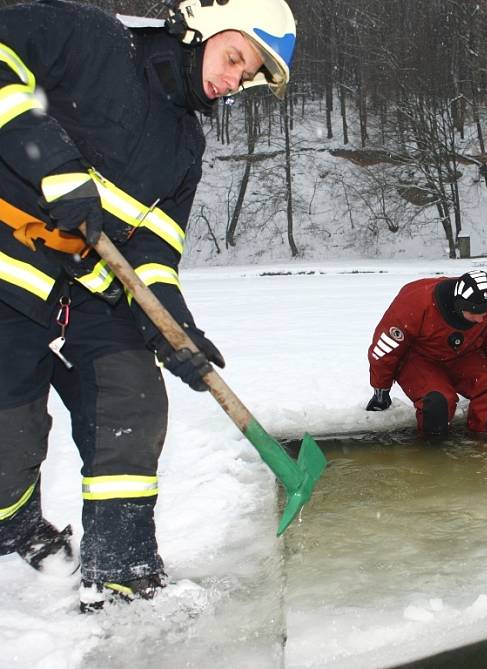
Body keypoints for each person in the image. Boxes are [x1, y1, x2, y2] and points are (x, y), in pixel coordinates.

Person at [0, 0, 296, 611]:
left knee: (133, 402)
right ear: (201, 25)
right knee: (10, 435)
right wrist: (53, 164)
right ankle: (13, 519)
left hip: (94, 287)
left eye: (244, 77)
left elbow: (156, 254)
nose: (232, 79)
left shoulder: (185, 144)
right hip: (12, 259)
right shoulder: (92, 39)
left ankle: (123, 570)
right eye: (234, 57)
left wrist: (176, 330)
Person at [365, 270, 487, 436]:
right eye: (474, 314)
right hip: (418, 358)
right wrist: (381, 391)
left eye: (483, 314)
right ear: (459, 305)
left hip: (463, 355)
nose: (480, 320)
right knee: (438, 401)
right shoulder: (415, 302)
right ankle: (434, 453)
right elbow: (385, 350)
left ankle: (481, 444)